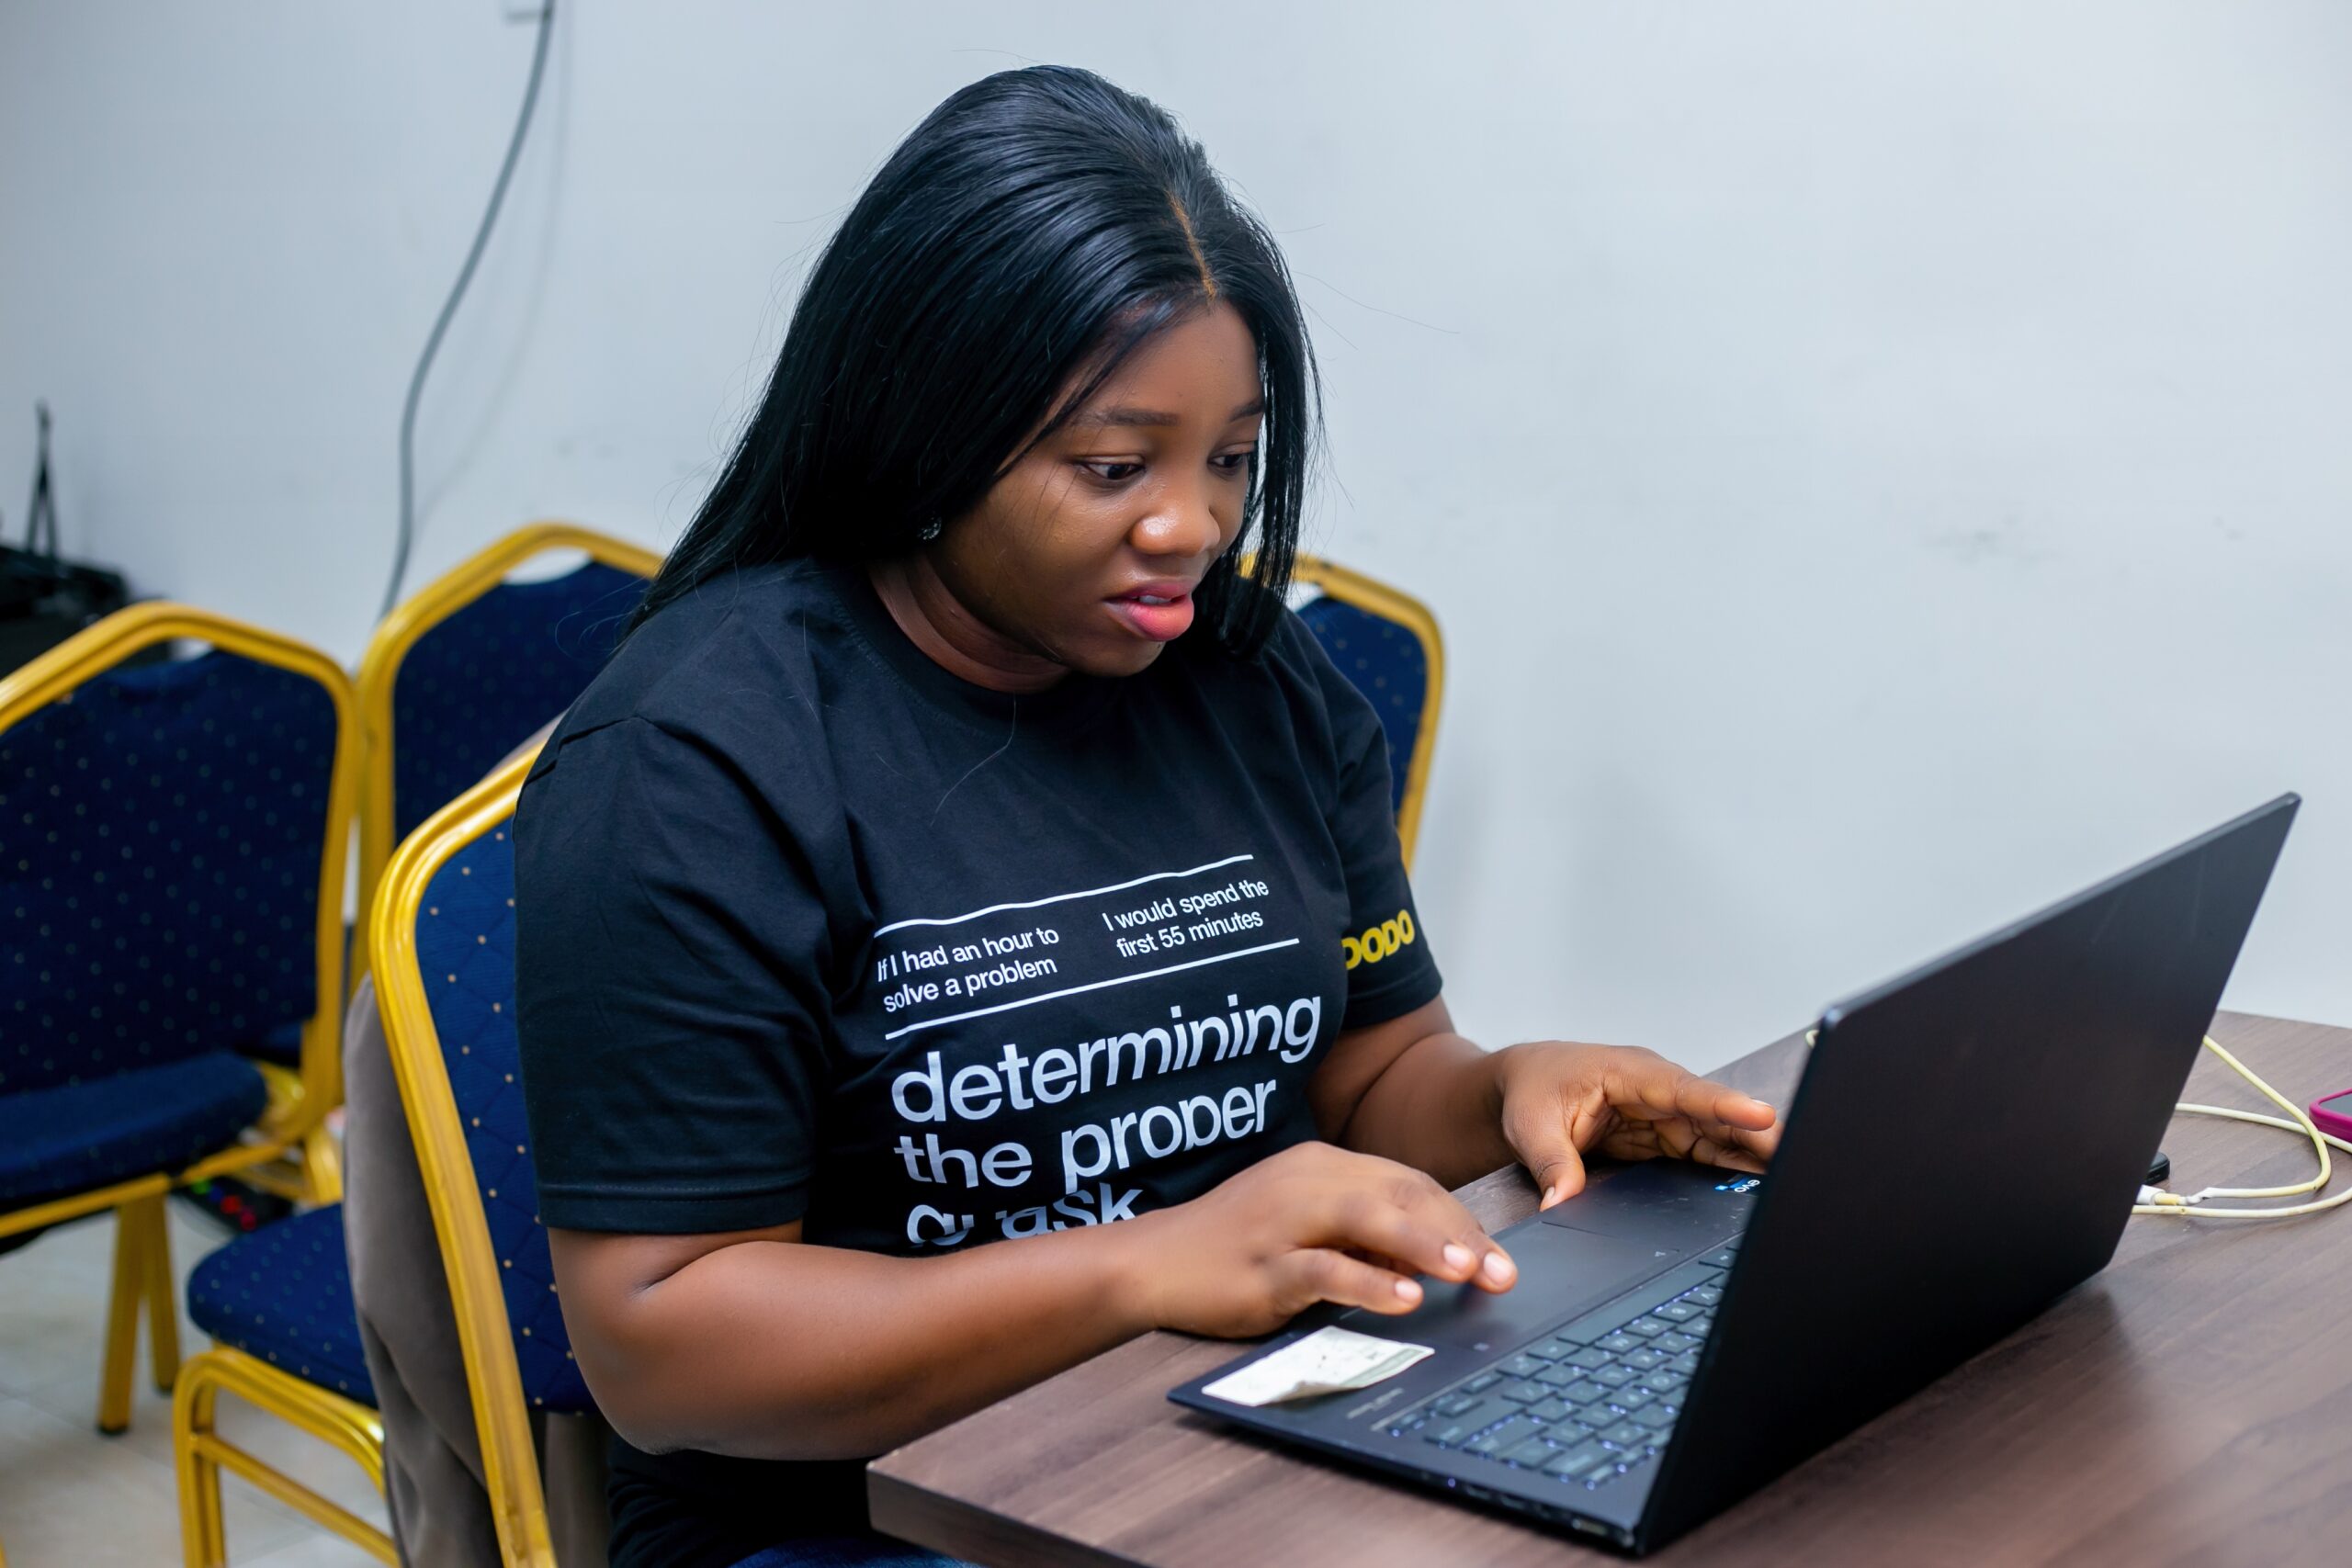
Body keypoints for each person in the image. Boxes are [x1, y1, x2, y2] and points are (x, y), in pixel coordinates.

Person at [513, 64, 1781, 1568]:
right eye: (1113, 466)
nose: (1192, 527)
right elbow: (663, 1349)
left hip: (1241, 1421)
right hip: (859, 1515)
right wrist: (1145, 1268)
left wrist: (1515, 1083)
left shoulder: (1251, 675)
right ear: (925, 431)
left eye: (1230, 459)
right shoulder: (695, 760)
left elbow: (1375, 1075)